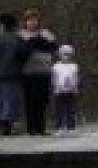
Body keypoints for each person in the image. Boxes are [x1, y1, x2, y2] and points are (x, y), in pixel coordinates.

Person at [19, 9, 58, 137]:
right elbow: (23, 51)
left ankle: (41, 128)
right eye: (29, 20)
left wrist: (39, 41)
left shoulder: (46, 33)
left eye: (34, 20)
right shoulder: (21, 35)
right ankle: (31, 129)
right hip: (28, 72)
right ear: (25, 22)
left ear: (38, 21)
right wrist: (37, 42)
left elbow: (53, 47)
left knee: (42, 100)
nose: (32, 22)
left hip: (44, 71)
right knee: (30, 101)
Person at [52, 45, 81, 135]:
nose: (66, 56)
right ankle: (59, 127)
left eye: (68, 54)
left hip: (71, 91)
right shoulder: (56, 66)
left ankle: (71, 127)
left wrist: (76, 88)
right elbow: (54, 78)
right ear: (60, 55)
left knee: (71, 109)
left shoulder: (74, 66)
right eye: (64, 54)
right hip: (59, 91)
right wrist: (55, 88)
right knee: (59, 110)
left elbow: (76, 78)